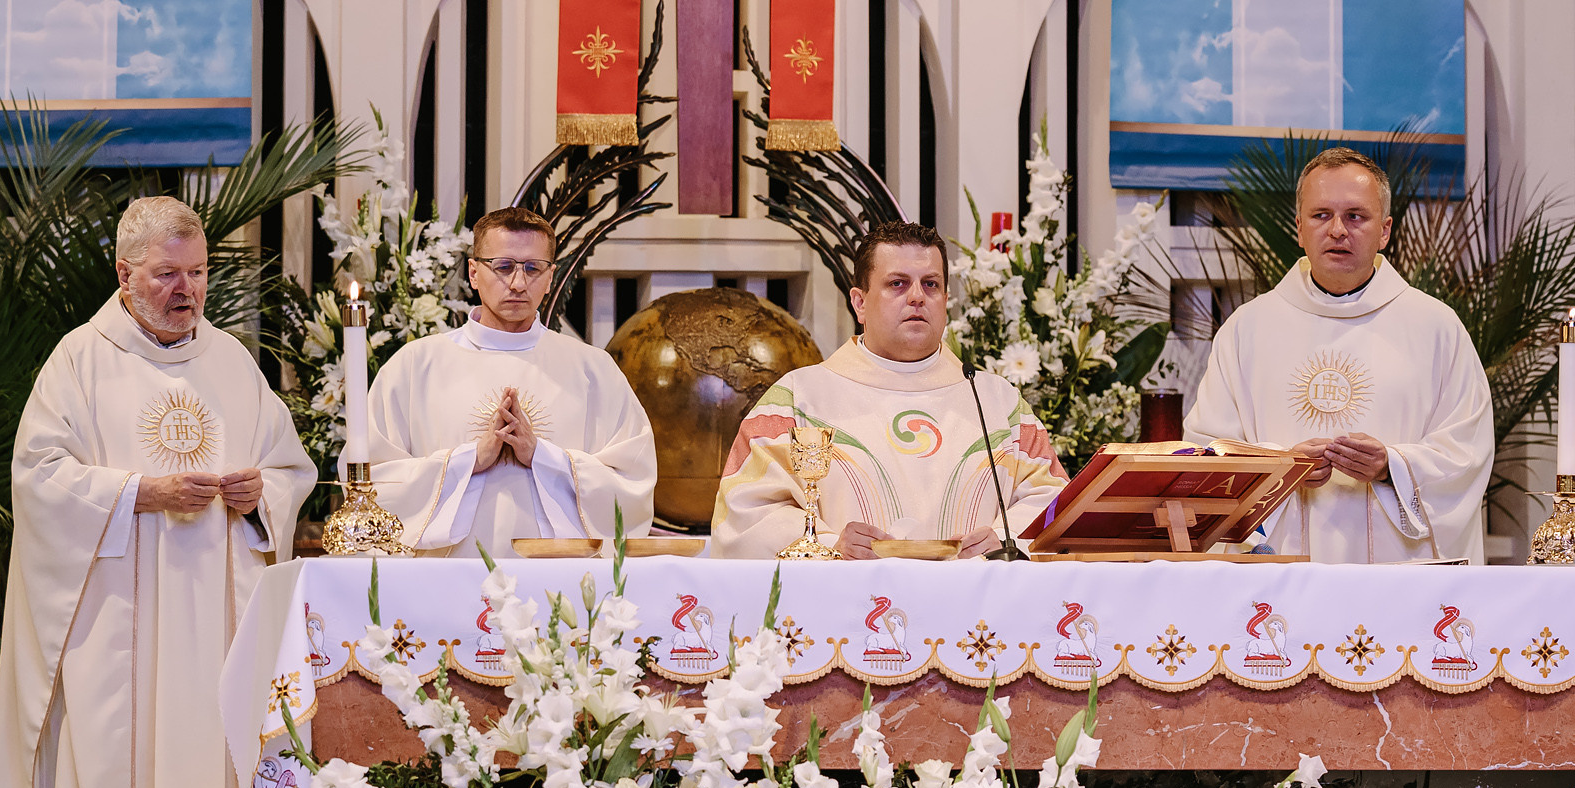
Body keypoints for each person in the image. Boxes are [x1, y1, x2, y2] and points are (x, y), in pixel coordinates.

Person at [0, 196, 316, 788]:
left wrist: (259, 491)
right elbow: (39, 478)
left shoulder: (233, 363)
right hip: (114, 640)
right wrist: (139, 491)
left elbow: (290, 467)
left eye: (197, 273)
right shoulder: (78, 362)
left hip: (215, 637)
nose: (186, 291)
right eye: (167, 274)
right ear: (124, 274)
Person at [1183, 148, 1494, 562]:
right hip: (1279, 576)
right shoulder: (1247, 329)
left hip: (1398, 577)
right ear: (1298, 227)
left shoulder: (1435, 326)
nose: (1337, 230)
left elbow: (1467, 452)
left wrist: (1392, 466)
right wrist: (1282, 467)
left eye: (1355, 216)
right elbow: (1206, 452)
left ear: (1384, 231)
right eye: (1321, 215)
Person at [708, 221, 1066, 559]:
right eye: (897, 283)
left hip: (976, 615)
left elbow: (1054, 505)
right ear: (860, 303)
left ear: (945, 300)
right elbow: (744, 515)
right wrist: (830, 545)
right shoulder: (798, 400)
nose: (917, 297)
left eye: (931, 284)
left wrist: (1008, 541)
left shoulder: (995, 401)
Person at [364, 206, 657, 555]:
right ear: (474, 273)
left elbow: (632, 484)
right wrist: (471, 459)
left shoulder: (594, 370)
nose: (518, 283)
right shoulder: (414, 366)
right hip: (444, 578)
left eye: (533, 268)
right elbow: (372, 482)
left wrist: (540, 455)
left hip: (559, 586)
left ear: (551, 277)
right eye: (503, 267)